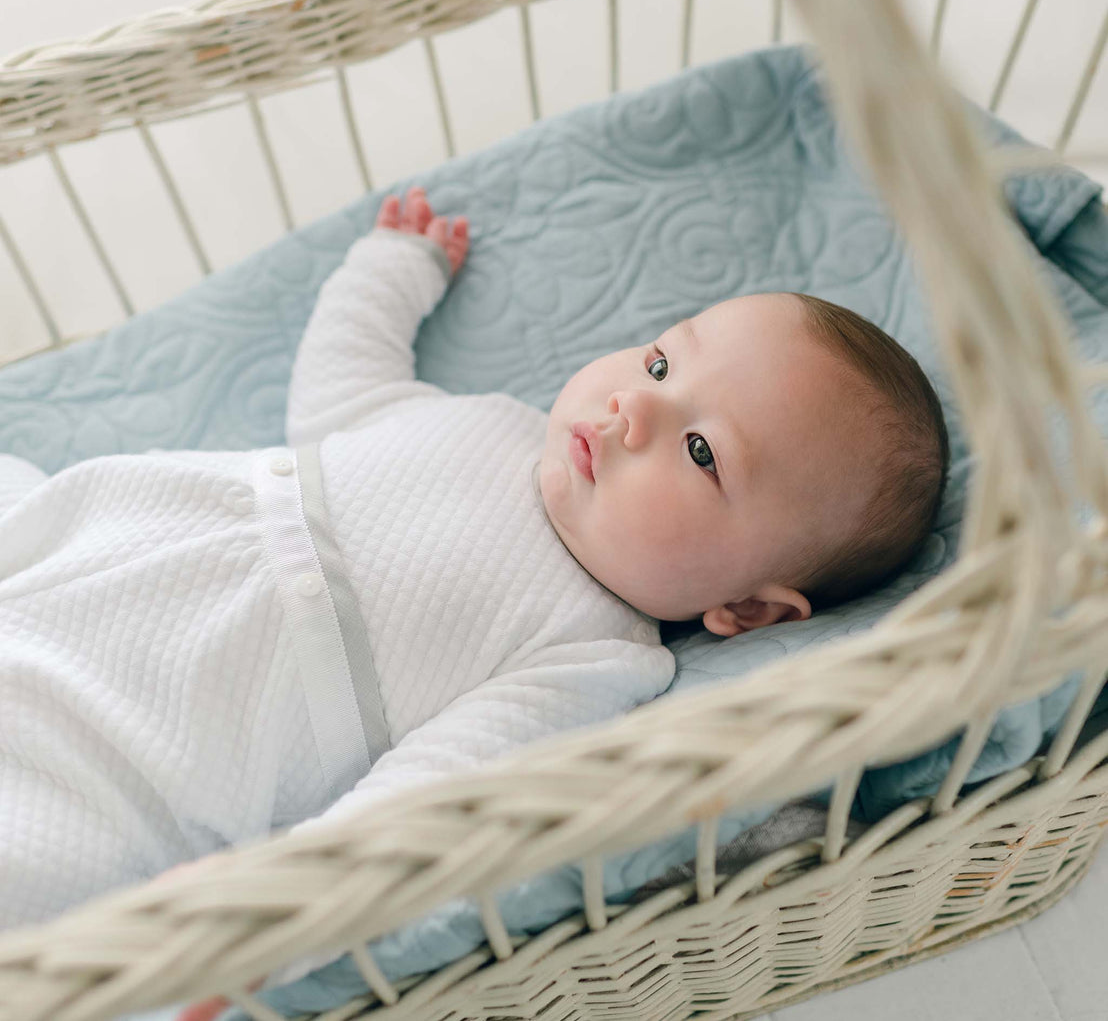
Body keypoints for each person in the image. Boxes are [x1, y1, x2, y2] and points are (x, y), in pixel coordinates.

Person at [0, 187, 948, 935]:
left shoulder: (598, 655)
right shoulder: (494, 422)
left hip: (149, 741)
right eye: (661, 363)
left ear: (748, 609)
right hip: (90, 532)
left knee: (44, 870)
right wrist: (389, 271)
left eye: (701, 453)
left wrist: (267, 904)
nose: (634, 410)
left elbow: (426, 795)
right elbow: (342, 388)